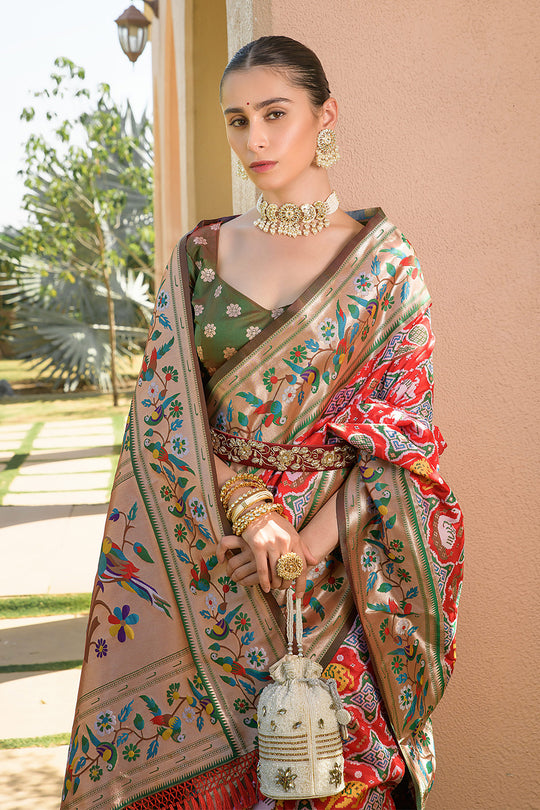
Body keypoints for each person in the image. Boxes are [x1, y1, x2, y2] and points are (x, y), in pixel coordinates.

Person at [60, 36, 463, 810]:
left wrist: (303, 545)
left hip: (344, 559)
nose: (256, 139)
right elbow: (167, 416)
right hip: (216, 546)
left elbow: (403, 435)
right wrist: (251, 515)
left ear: (326, 115)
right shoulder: (202, 256)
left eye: (275, 114)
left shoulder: (385, 265)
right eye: (238, 121)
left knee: (333, 771)